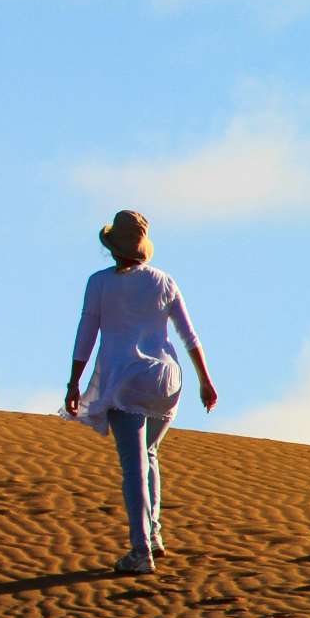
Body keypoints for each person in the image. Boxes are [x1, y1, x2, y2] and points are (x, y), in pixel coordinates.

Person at [65, 210, 217, 575]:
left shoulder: (99, 283)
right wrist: (205, 380)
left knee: (132, 465)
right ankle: (156, 535)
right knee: (149, 453)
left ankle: (140, 549)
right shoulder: (164, 281)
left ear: (114, 248)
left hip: (126, 378)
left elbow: (88, 332)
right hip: (166, 379)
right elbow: (189, 335)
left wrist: (74, 381)